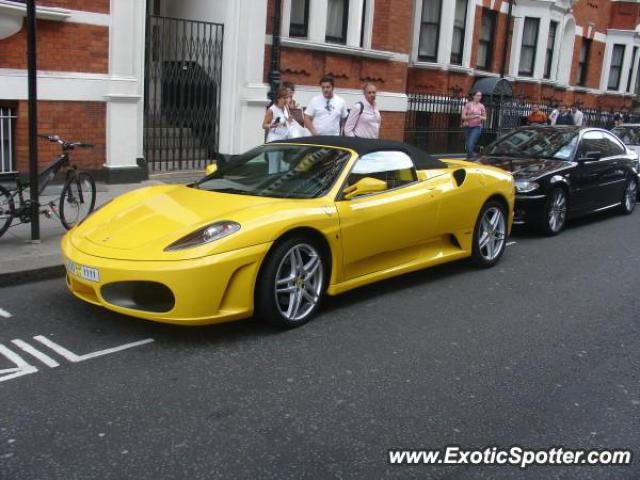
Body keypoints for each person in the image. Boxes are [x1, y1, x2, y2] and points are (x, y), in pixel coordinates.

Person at [461, 91, 487, 159]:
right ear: (474, 96)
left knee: (470, 143)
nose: (479, 97)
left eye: (480, 96)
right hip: (467, 126)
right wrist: (473, 117)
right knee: (468, 144)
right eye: (478, 95)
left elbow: (485, 118)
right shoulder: (468, 105)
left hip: (477, 127)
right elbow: (463, 117)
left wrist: (480, 117)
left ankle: (471, 159)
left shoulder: (481, 106)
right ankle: (469, 158)